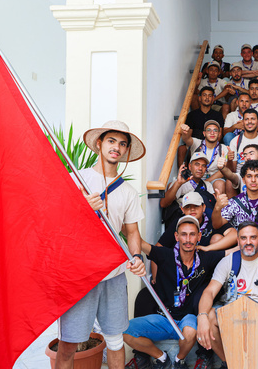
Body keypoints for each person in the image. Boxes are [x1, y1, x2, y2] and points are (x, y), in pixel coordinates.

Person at [56, 120, 146, 369]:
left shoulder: (127, 192)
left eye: (122, 144)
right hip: (79, 274)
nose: (116, 147)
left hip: (113, 274)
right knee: (68, 344)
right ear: (99, 144)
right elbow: (58, 224)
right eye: (111, 141)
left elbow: (132, 231)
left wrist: (136, 257)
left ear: (126, 151)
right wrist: (82, 209)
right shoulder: (77, 180)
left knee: (116, 340)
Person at [124, 216, 227, 369]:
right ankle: (161, 357)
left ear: (199, 237)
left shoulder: (205, 257)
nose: (188, 239)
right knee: (124, 330)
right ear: (176, 236)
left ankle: (179, 360)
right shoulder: (165, 254)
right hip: (164, 318)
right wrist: (121, 223)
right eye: (183, 234)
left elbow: (239, 249)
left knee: (191, 331)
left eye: (192, 234)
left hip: (188, 318)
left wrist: (209, 248)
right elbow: (140, 242)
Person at [196, 221, 258, 368]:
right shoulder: (228, 261)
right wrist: (201, 316)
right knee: (208, 316)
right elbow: (209, 291)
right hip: (232, 312)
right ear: (238, 241)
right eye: (243, 238)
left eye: (253, 237)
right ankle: (228, 362)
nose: (248, 242)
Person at [181, 121, 225, 195]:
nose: (212, 133)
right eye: (208, 130)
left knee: (220, 183)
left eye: (215, 130)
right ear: (204, 133)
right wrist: (185, 132)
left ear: (219, 134)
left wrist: (206, 181)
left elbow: (223, 171)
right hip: (195, 177)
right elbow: (186, 139)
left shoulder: (224, 149)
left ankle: (218, 206)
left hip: (212, 180)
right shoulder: (197, 143)